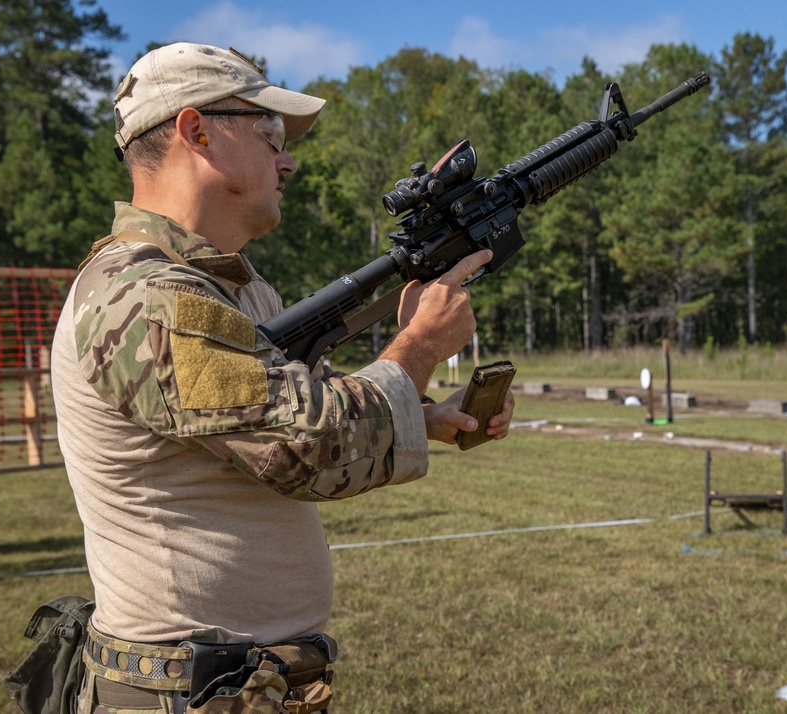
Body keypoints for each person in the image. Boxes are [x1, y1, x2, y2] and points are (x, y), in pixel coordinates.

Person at [51, 42, 514, 714]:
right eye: (269, 133)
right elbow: (306, 449)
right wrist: (415, 350)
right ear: (195, 130)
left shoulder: (231, 290)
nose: (287, 158)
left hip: (239, 685)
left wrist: (422, 413)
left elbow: (292, 409)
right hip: (181, 692)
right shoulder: (146, 297)